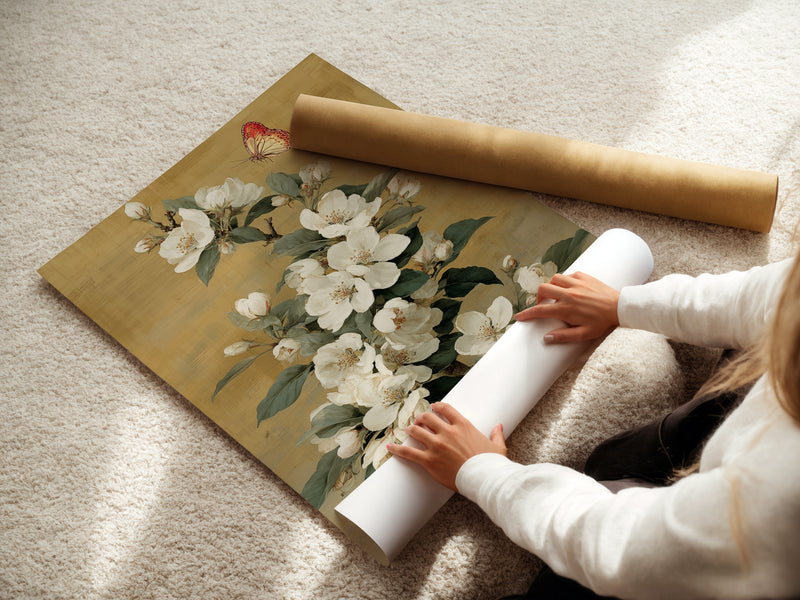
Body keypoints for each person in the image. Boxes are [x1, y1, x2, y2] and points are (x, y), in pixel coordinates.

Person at [387, 255, 800, 599]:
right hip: (747, 478)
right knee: (615, 462)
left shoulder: (780, 498)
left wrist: (484, 473)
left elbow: (622, 548)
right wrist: (623, 304)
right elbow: (768, 296)